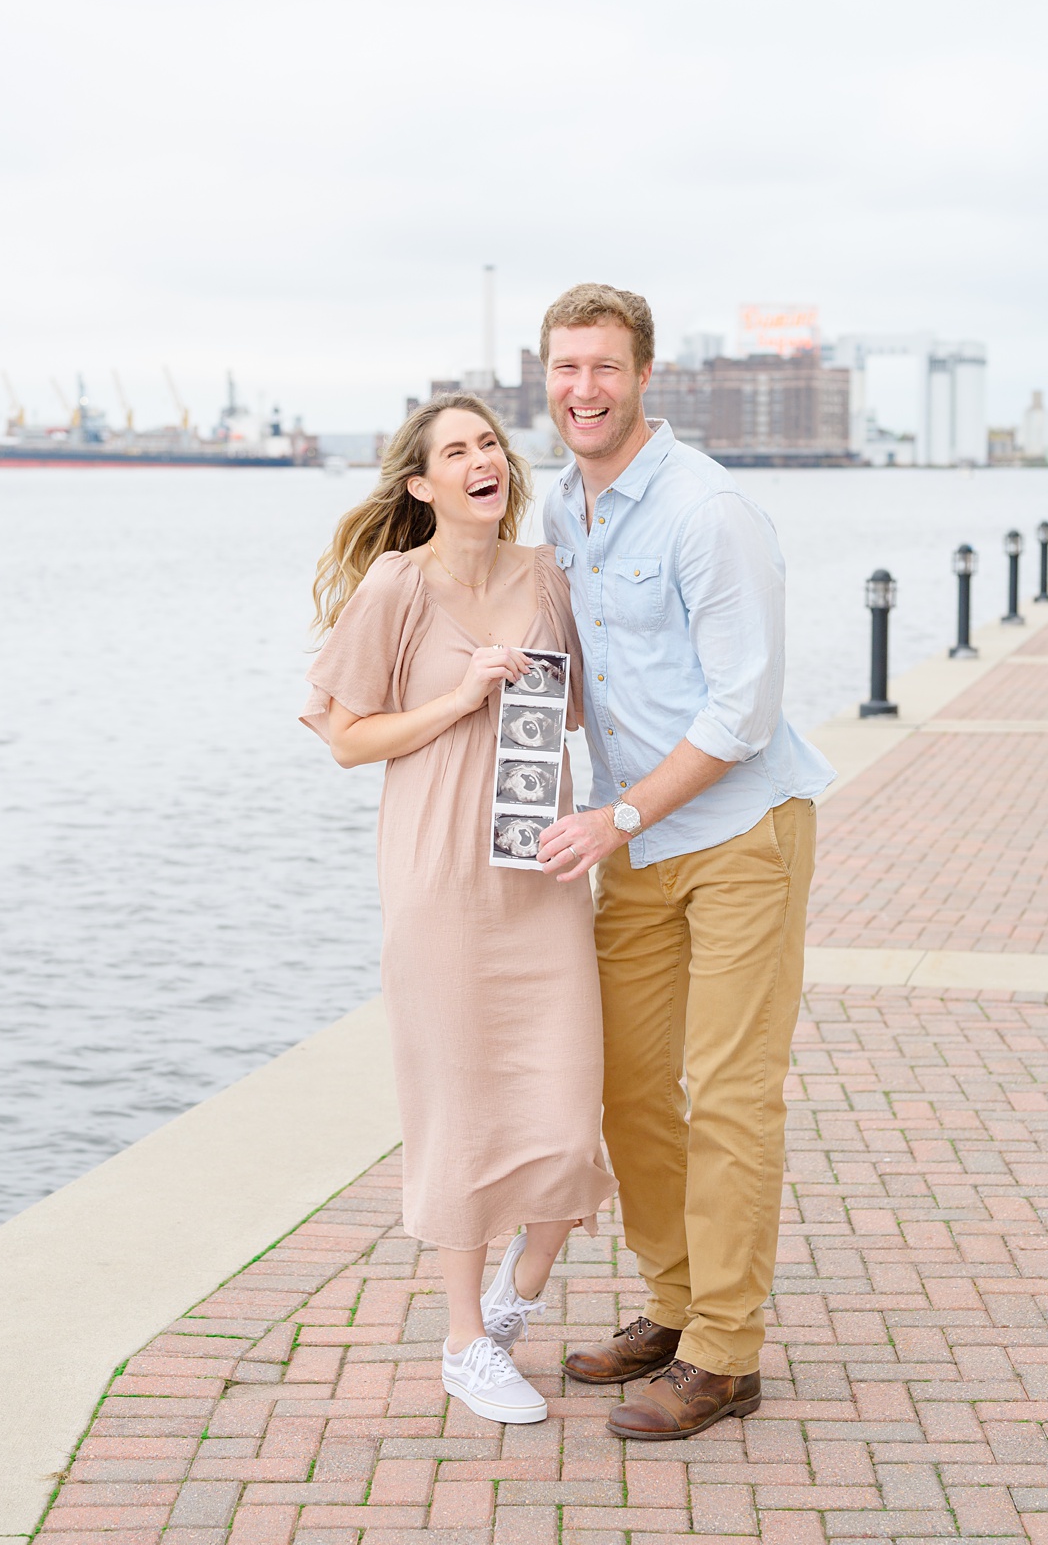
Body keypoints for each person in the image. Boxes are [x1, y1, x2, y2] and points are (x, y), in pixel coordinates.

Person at [531, 283, 832, 1441]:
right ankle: (673, 1303)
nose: (585, 390)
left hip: (741, 833)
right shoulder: (567, 509)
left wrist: (618, 816)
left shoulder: (708, 511)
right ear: (546, 375)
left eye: (605, 367)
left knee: (732, 1091)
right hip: (638, 838)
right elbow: (586, 680)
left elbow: (744, 706)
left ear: (645, 374)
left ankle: (725, 1351)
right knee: (626, 1085)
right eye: (566, 368)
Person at [304, 394, 616, 1425]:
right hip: (437, 876)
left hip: (540, 870)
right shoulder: (398, 584)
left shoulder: (546, 575)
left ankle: (514, 1301)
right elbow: (347, 736)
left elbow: (576, 705)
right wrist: (461, 695)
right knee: (460, 1110)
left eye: (489, 443)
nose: (480, 458)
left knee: (569, 1113)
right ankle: (462, 1342)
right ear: (421, 485)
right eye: (455, 450)